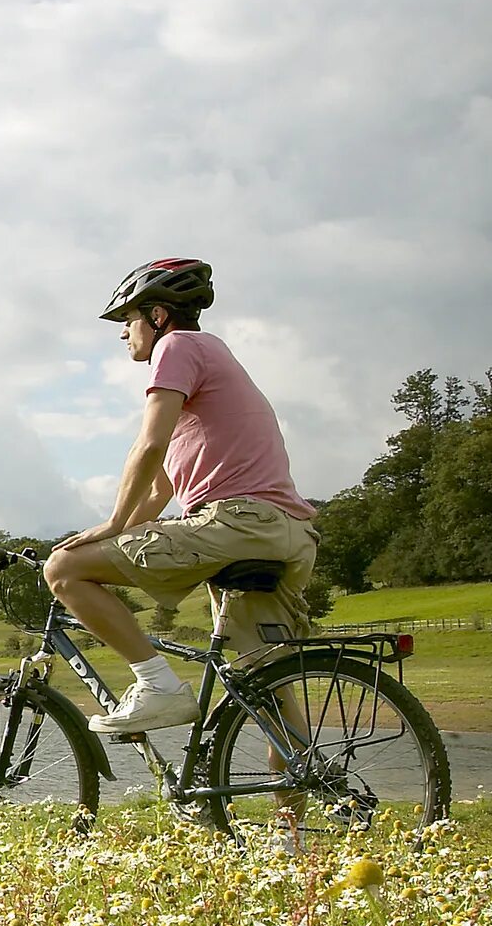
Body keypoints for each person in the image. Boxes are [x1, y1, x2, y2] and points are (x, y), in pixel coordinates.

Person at [43, 258, 320, 737]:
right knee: (267, 684)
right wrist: (123, 528)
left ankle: (158, 686)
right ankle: (293, 809)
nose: (123, 334)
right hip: (285, 532)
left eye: (128, 321)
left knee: (62, 570)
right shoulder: (212, 355)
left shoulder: (175, 346)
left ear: (157, 316)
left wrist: (110, 526)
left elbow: (149, 446)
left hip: (237, 522)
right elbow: (160, 488)